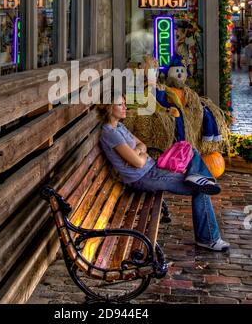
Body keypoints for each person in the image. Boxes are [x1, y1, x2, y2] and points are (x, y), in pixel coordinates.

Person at [98, 93, 230, 252]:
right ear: (108, 108)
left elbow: (142, 145)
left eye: (125, 103)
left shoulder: (119, 126)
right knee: (200, 189)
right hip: (143, 177)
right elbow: (138, 162)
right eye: (120, 105)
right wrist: (141, 154)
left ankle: (198, 177)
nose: (125, 107)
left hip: (151, 169)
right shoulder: (110, 133)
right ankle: (209, 239)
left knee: (191, 151)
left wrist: (138, 151)